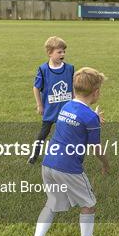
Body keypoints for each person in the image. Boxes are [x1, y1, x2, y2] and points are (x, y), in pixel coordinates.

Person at [27, 67, 108, 236]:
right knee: (89, 204)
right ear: (96, 93)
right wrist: (106, 164)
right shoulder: (90, 118)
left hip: (48, 163)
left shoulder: (66, 106)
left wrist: (94, 118)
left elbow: (78, 120)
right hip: (69, 169)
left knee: (52, 204)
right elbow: (96, 149)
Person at [29, 36, 74, 164]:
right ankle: (34, 155)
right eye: (59, 52)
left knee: (67, 134)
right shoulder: (43, 70)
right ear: (50, 53)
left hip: (66, 109)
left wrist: (75, 102)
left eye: (64, 51)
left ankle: (66, 157)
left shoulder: (69, 68)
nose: (63, 54)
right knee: (43, 134)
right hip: (50, 109)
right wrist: (39, 105)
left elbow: (73, 87)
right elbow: (36, 88)